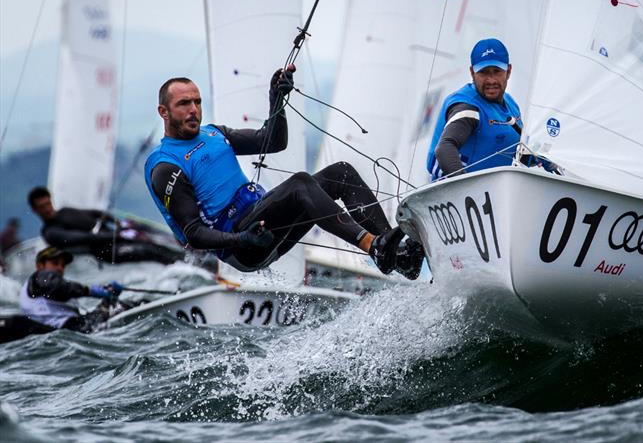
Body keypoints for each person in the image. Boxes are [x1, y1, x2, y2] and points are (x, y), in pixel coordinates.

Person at [143, 67, 423, 279]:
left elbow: (273, 141)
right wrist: (242, 239)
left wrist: (276, 99)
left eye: (197, 102)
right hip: (243, 243)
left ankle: (396, 256)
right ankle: (373, 245)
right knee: (300, 183)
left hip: (266, 224)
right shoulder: (166, 166)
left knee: (342, 174)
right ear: (163, 112)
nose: (194, 110)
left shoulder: (216, 134)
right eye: (183, 104)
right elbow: (193, 233)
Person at [426, 37, 561, 180]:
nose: (491, 80)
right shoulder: (467, 107)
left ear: (508, 71)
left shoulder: (511, 105)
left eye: (497, 71)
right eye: (483, 72)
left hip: (495, 195)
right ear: (472, 73)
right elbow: (444, 148)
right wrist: (467, 188)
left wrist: (542, 158)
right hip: (455, 197)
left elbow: (516, 152)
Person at [27, 187, 186, 266]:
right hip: (108, 251)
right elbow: (84, 238)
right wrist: (117, 235)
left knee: (152, 236)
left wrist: (114, 221)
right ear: (35, 210)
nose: (47, 208)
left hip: (116, 236)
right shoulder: (50, 232)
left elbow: (95, 213)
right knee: (149, 250)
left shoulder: (65, 211)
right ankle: (185, 268)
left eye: (47, 203)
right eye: (42, 207)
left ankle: (190, 257)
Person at [18, 246, 124, 332]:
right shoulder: (42, 276)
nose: (60, 268)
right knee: (120, 306)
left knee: (107, 305)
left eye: (63, 265)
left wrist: (106, 295)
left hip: (65, 329)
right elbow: (59, 287)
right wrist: (89, 291)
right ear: (40, 265)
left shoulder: (33, 284)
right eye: (55, 263)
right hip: (70, 328)